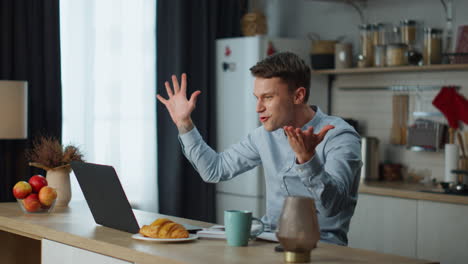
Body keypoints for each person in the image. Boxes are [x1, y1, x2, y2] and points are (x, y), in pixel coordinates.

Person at [156, 52, 362, 246]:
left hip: (320, 249)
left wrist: (308, 159)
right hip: (268, 243)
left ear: (298, 96)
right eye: (257, 97)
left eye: (268, 97)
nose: (258, 108)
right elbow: (214, 170)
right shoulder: (264, 135)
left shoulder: (339, 136)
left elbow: (333, 206)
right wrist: (184, 123)